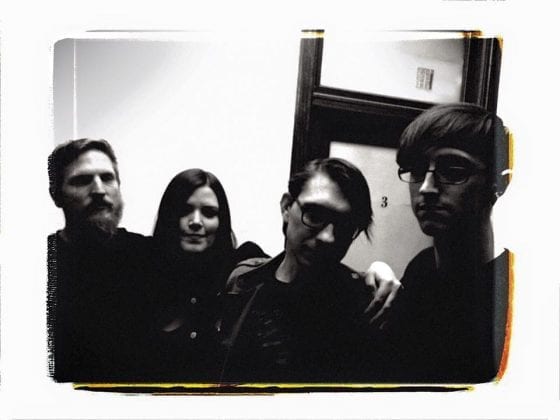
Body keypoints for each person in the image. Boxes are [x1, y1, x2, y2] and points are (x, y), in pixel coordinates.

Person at [218, 157, 386, 383]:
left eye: (344, 225)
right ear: (287, 207)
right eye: (315, 216)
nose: (328, 237)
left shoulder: (364, 305)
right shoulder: (242, 281)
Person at [386, 103, 512, 383]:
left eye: (453, 171)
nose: (426, 188)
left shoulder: (511, 292)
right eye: (417, 171)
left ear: (498, 184)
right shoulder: (420, 271)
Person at [47, 138, 155, 382]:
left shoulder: (149, 255)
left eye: (107, 178)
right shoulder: (36, 266)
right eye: (82, 180)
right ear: (56, 195)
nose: (99, 190)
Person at [147, 168, 267, 381]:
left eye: (209, 213)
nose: (195, 221)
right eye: (184, 210)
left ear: (222, 221)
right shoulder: (144, 271)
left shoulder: (241, 268)